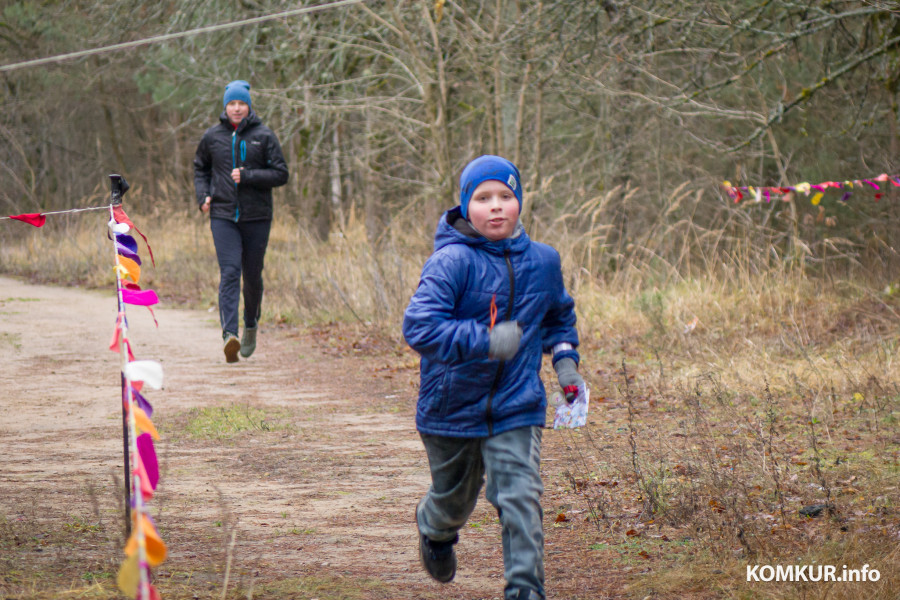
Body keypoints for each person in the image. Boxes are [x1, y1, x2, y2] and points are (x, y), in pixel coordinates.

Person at [402, 155, 585, 600]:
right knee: (454, 502)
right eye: (483, 198)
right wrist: (485, 340)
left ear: (519, 202)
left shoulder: (543, 261)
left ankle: (525, 589)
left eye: (506, 196)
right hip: (451, 408)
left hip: (517, 405)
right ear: (466, 206)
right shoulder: (452, 262)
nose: (496, 206)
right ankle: (435, 529)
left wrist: (565, 364)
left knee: (520, 496)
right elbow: (419, 326)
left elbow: (558, 316)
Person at [193, 80, 289, 363]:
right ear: (225, 107)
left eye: (241, 103)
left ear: (249, 106)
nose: (236, 108)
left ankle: (250, 325)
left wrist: (248, 176)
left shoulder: (264, 136)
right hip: (223, 215)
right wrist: (203, 196)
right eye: (232, 104)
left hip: (257, 216)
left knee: (252, 276)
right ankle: (229, 335)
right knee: (230, 271)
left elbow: (281, 174)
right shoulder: (212, 137)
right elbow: (200, 168)